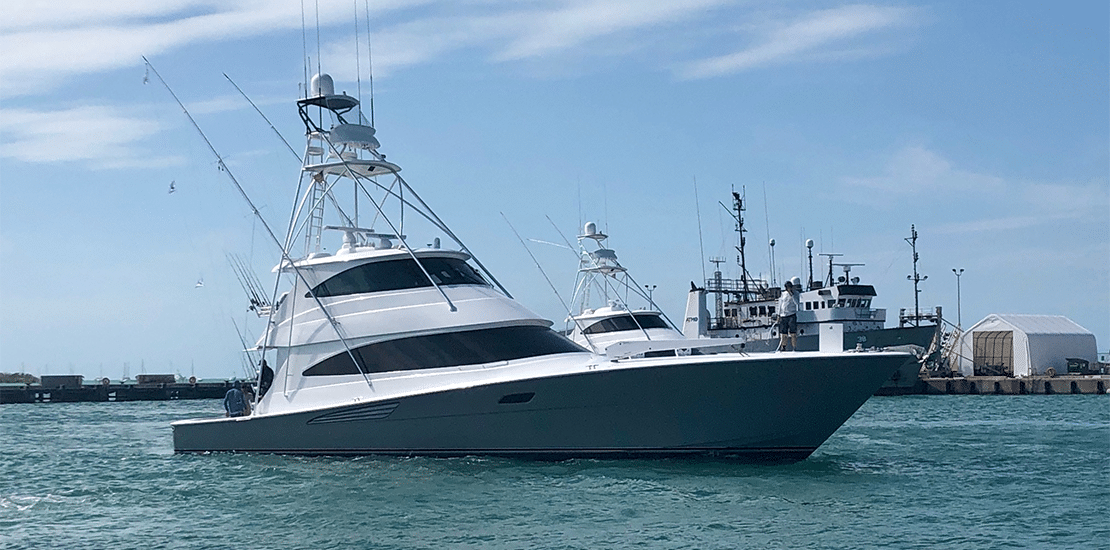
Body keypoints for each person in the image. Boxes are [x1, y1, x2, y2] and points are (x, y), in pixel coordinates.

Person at [777, 278, 800, 351]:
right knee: (783, 332)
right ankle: (783, 347)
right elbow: (780, 304)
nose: (788, 288)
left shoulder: (796, 293)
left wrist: (792, 294)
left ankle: (794, 347)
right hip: (783, 315)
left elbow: (797, 303)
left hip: (791, 314)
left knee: (793, 332)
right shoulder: (783, 294)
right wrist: (778, 314)